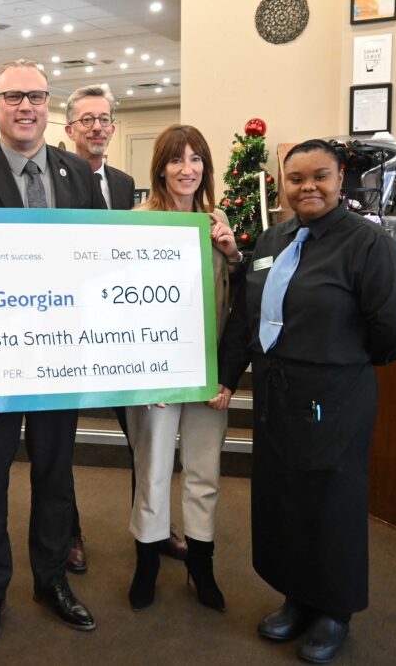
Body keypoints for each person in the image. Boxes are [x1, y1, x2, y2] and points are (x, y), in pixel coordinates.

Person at [218, 139, 396, 663]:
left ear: (340, 179)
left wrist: (342, 362)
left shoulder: (367, 244)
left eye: (320, 176)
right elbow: (246, 315)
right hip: (277, 395)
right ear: (282, 184)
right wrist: (227, 375)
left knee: (331, 501)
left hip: (335, 395)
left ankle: (334, 609)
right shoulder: (271, 240)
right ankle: (297, 597)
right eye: (296, 178)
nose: (308, 187)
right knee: (284, 495)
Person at [0, 59, 106, 646]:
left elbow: (100, 259)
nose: (26, 107)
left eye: (35, 95)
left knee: (56, 477)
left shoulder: (77, 174)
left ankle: (52, 579)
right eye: (14, 97)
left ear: (48, 104)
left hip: (60, 359)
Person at [63, 85, 189, 569]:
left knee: (144, 435)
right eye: (86, 119)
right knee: (62, 441)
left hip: (122, 332)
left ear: (113, 128)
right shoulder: (56, 178)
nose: (97, 127)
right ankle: (69, 532)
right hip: (72, 330)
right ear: (70, 128)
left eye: (104, 119)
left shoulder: (123, 182)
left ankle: (154, 525)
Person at [123, 125, 243, 613]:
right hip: (156, 371)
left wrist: (233, 253)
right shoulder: (139, 221)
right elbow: (122, 302)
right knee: (151, 469)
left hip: (207, 370)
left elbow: (234, 299)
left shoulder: (215, 222)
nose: (187, 169)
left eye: (196, 160)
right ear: (160, 168)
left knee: (204, 469)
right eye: (177, 160)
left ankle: (201, 564)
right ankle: (147, 562)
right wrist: (142, 373)